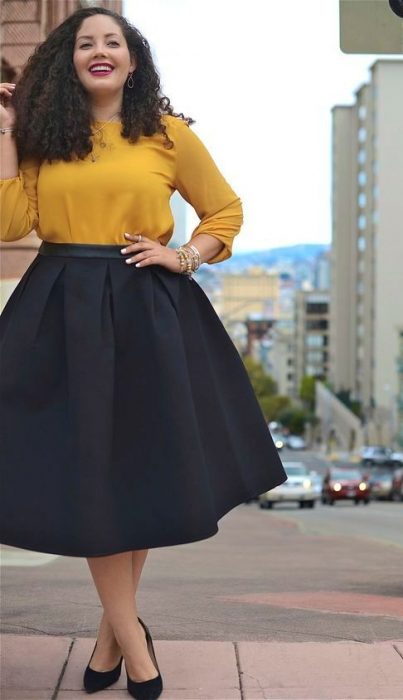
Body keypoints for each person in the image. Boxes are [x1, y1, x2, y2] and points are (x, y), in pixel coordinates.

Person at [0, 6, 286, 699]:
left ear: (132, 60)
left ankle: (112, 637)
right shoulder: (47, 137)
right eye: (86, 42)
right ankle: (134, 644)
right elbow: (10, 222)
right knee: (92, 475)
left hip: (145, 306)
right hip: (61, 306)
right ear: (69, 60)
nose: (100, 50)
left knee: (131, 472)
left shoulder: (166, 134)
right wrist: (10, 132)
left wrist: (183, 255)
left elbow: (224, 212)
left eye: (113, 42)